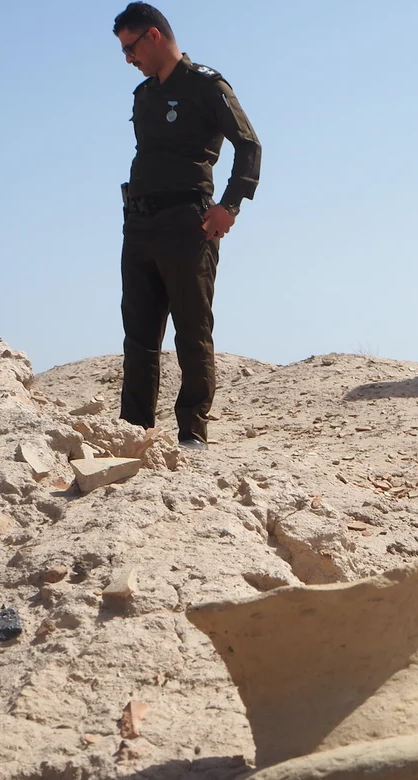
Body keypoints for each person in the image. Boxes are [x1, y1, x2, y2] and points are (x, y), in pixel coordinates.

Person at [113, 3, 261, 449]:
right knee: (138, 335)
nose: (128, 59)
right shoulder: (143, 95)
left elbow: (249, 146)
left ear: (154, 36)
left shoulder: (205, 86)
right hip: (139, 224)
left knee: (191, 331)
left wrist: (230, 206)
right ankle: (134, 432)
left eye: (130, 47)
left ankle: (192, 434)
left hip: (187, 223)